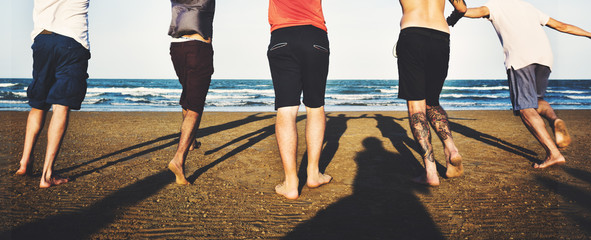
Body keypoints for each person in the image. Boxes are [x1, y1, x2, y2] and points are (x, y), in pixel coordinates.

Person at [463, 0, 590, 168]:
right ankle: (555, 120)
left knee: (525, 108)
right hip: (545, 57)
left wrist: (457, 13)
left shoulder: (494, 5)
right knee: (536, 101)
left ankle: (554, 154)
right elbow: (561, 26)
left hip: (520, 58)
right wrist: (589, 34)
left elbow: (471, 11)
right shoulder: (527, 6)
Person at [15, 0, 91, 188]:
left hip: (42, 39)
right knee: (61, 104)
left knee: (38, 103)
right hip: (72, 41)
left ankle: (24, 162)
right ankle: (47, 175)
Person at [395, 0, 467, 186]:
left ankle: (430, 172)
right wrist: (450, 20)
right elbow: (461, 8)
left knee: (416, 106)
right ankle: (452, 150)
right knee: (432, 102)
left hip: (412, 33)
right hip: (441, 37)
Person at [267, 0, 332, 199]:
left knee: (286, 108)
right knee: (315, 106)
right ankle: (313, 174)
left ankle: (291, 182)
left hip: (282, 36)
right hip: (314, 36)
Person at [167, 0, 215, 185]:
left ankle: (191, 141)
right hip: (199, 47)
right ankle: (178, 160)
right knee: (195, 106)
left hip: (176, 47)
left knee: (188, 94)